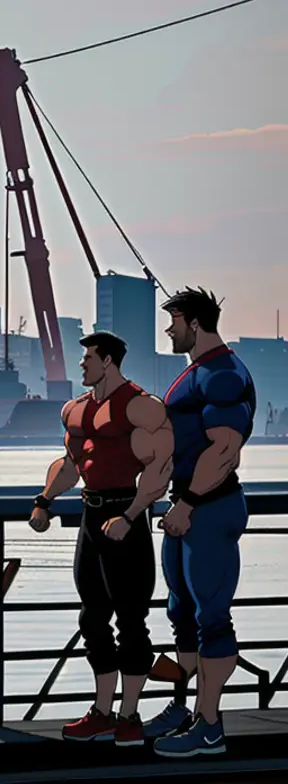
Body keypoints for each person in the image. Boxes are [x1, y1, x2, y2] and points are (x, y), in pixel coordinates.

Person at [29, 331, 174, 748]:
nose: (82, 364)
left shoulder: (141, 407)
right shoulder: (74, 411)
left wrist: (131, 515)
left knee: (131, 620)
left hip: (125, 514)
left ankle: (129, 717)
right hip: (91, 516)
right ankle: (103, 712)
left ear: (108, 361)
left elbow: (160, 465)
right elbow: (72, 465)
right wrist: (44, 501)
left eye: (88, 357)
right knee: (92, 618)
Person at [146, 287, 256, 759]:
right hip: (187, 507)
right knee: (182, 613)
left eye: (173, 322)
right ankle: (184, 709)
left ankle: (209, 726)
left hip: (208, 509)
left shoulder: (223, 375)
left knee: (211, 616)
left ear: (194, 322)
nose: (168, 330)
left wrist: (187, 504)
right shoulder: (197, 373)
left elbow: (224, 451)